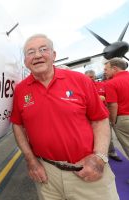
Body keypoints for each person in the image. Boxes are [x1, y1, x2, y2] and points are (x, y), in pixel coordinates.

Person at [10, 34, 119, 200]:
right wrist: (31, 160)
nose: (37, 55)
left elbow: (99, 119)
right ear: (25, 61)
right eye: (30, 52)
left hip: (86, 170)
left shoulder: (80, 81)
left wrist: (100, 157)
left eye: (43, 49)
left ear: (54, 55)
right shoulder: (20, 90)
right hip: (47, 176)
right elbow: (17, 125)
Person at [84, 69, 122, 162]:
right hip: (87, 116)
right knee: (90, 135)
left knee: (107, 134)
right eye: (88, 77)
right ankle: (93, 154)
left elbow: (110, 99)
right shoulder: (83, 86)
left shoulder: (102, 85)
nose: (90, 79)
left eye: (92, 77)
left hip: (102, 115)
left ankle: (111, 152)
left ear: (95, 77)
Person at [104, 57, 129, 158]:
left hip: (123, 119)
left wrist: (112, 121)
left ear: (114, 68)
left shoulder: (111, 83)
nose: (105, 72)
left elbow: (113, 105)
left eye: (106, 69)